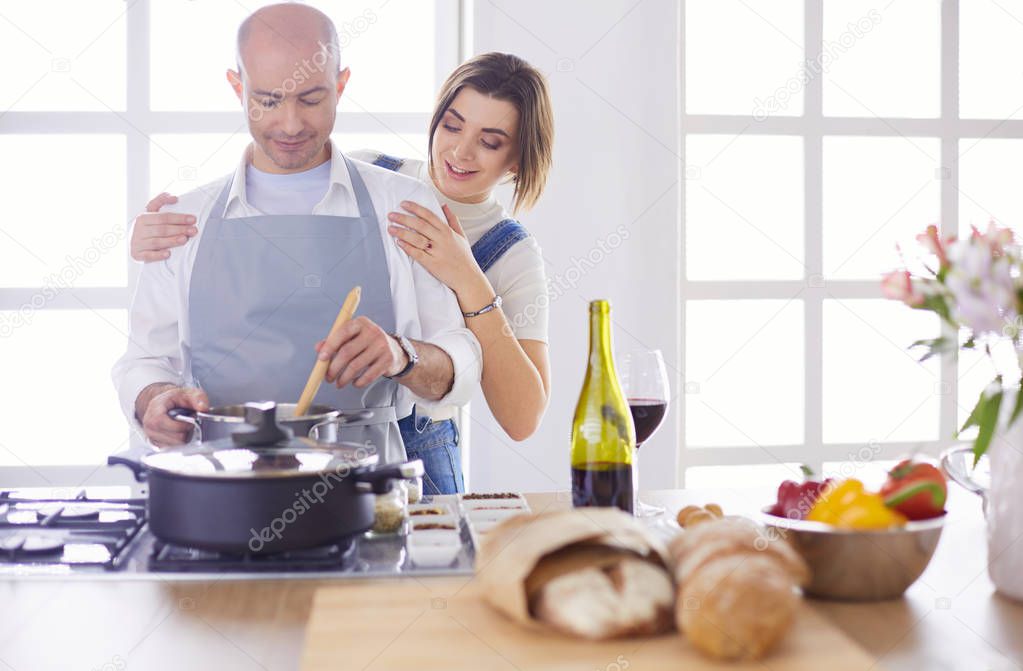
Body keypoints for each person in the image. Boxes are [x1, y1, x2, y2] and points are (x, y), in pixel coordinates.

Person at [129, 52, 555, 494]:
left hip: (419, 448)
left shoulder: (512, 253)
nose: (460, 151)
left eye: (490, 141)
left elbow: (523, 418)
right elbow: (272, 206)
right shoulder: (371, 179)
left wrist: (468, 277)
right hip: (312, 443)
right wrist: (161, 235)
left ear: (518, 161)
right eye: (452, 125)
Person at [112, 3, 482, 475]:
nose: (289, 124)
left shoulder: (404, 206)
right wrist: (154, 401)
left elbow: (459, 368)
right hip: (220, 493)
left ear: (341, 85)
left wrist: (400, 355)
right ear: (237, 87)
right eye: (267, 100)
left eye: (310, 99)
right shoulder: (182, 221)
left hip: (368, 496)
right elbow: (144, 361)